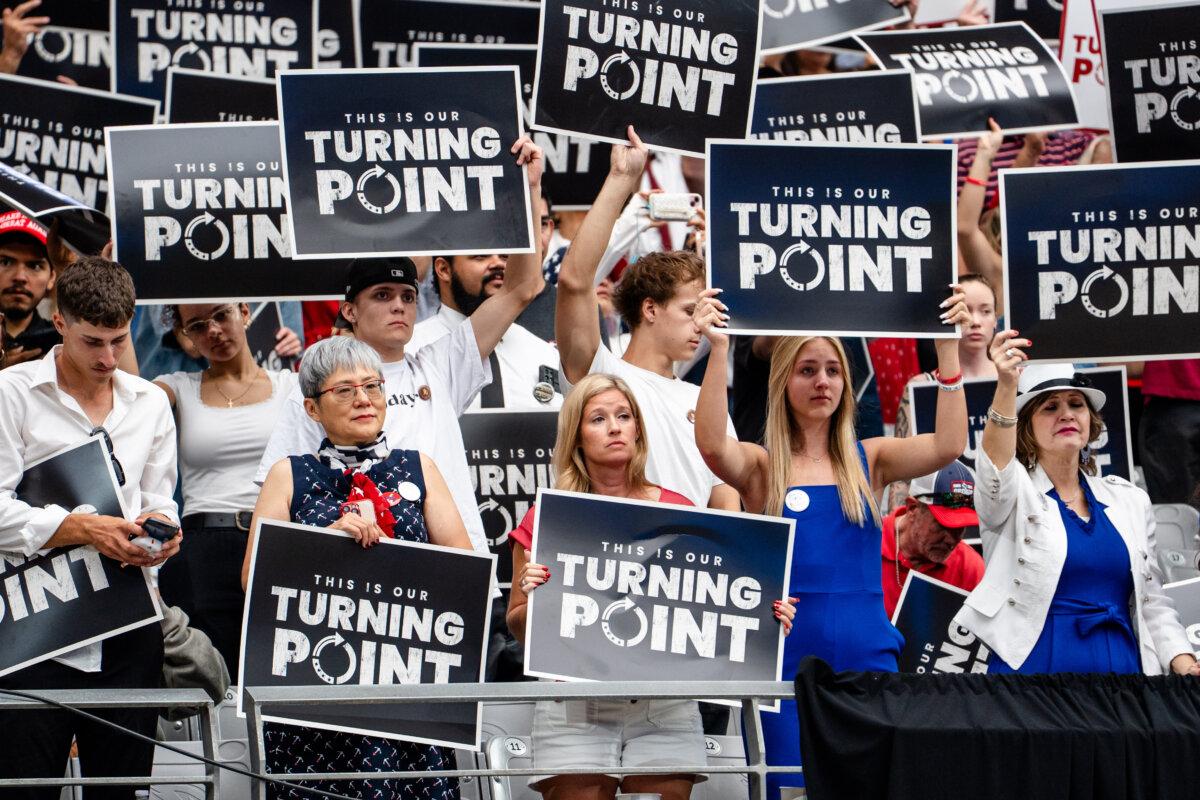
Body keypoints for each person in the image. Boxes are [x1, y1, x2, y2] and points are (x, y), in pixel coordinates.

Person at [691, 287, 971, 797]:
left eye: (833, 370)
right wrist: (717, 350)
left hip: (868, 655)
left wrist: (948, 354)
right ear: (783, 381)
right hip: (784, 659)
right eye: (807, 370)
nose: (822, 381)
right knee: (789, 789)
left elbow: (948, 445)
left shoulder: (873, 457)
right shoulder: (760, 464)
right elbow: (711, 444)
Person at [505, 373, 795, 800]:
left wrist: (765, 618)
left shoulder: (680, 511)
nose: (615, 426)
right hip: (574, 705)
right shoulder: (550, 520)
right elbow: (516, 627)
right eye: (599, 419)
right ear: (577, 438)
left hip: (665, 704)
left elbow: (717, 605)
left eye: (623, 416)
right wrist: (535, 601)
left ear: (638, 428)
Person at [255, 135, 547, 556]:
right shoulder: (318, 385)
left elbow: (521, 288)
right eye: (382, 295)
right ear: (350, 311)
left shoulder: (440, 363)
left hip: (452, 564)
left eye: (408, 297)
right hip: (356, 575)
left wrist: (528, 191)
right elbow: (280, 495)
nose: (399, 307)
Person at [244, 336, 473, 800]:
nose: (364, 399)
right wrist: (326, 543)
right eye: (344, 390)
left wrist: (392, 558)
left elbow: (463, 570)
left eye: (372, 386)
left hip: (405, 687)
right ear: (312, 408)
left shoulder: (420, 468)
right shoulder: (288, 473)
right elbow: (254, 578)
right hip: (318, 685)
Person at [0, 255, 183, 797]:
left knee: (122, 789)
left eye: (119, 341)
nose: (107, 357)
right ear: (59, 324)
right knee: (25, 789)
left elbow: (160, 497)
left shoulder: (150, 401)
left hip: (129, 621)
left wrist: (162, 533)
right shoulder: (12, 393)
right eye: (93, 342)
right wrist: (86, 529)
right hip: (34, 626)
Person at [953, 345, 1200, 677]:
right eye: (1050, 407)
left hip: (1122, 682)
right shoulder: (1013, 496)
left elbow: (1151, 601)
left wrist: (1183, 661)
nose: (1066, 414)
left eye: (1076, 404)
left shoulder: (1130, 499)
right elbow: (994, 468)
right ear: (1025, 426)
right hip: (1034, 682)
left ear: (1091, 420)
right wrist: (1008, 385)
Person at [555, 126, 738, 511]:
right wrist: (622, 180)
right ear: (650, 309)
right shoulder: (601, 374)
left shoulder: (703, 398)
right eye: (690, 311)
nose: (701, 324)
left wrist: (720, 250)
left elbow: (725, 500)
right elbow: (574, 281)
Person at [152, 301, 299, 674]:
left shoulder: (291, 385)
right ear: (186, 337)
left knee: (275, 668)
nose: (213, 331)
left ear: (245, 313)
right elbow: (122, 394)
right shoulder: (178, 386)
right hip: (202, 545)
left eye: (221, 315)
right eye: (198, 326)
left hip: (275, 541)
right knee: (209, 675)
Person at [407, 242, 563, 407]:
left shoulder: (542, 352)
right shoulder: (409, 352)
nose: (498, 263)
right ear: (444, 269)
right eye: (480, 256)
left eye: (505, 256)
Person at [892, 273, 999, 502]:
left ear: (996, 320)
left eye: (985, 311)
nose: (975, 320)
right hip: (940, 517)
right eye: (966, 309)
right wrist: (897, 530)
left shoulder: (1015, 381)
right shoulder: (920, 386)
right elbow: (901, 472)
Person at [881, 461, 986, 617]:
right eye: (943, 525)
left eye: (961, 528)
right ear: (912, 509)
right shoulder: (865, 545)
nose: (951, 540)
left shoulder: (969, 569)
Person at [0, 210, 58, 369]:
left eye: (35, 266)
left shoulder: (61, 343)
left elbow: (126, 389)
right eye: (5, 262)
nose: (20, 277)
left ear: (52, 278)